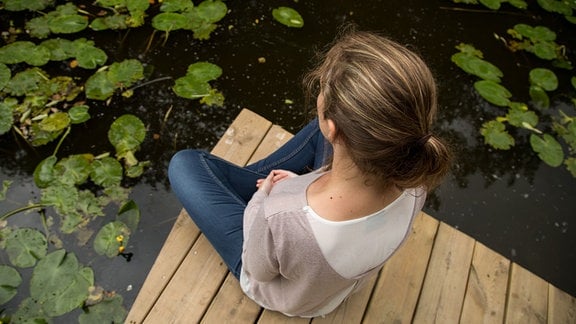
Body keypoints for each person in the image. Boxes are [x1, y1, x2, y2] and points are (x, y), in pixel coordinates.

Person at [168, 28, 452, 318]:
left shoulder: (282, 218)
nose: (319, 94)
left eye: (322, 89)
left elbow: (258, 269)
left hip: (288, 291)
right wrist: (304, 185)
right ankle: (247, 182)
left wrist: (266, 196)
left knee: (184, 164)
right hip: (329, 277)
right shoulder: (416, 182)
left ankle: (244, 185)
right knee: (326, 132)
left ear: (334, 129)